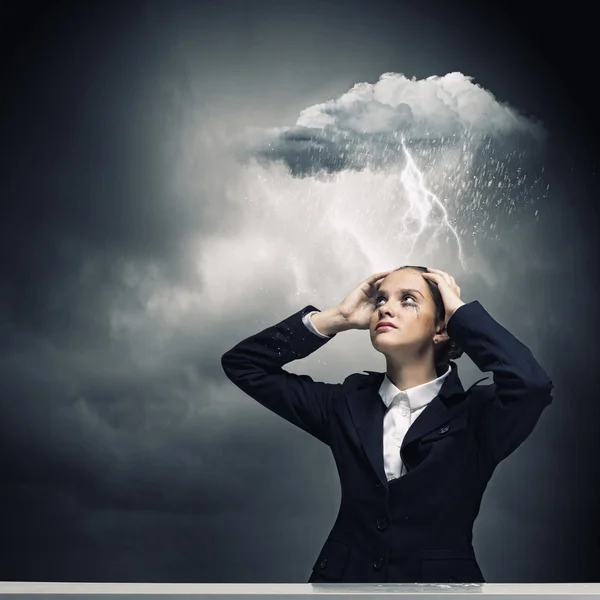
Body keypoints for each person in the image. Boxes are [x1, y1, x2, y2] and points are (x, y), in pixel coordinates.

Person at [221, 266, 553, 583]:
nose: (385, 309)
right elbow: (244, 364)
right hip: (343, 588)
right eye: (381, 299)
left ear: (441, 329)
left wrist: (461, 315)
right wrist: (337, 318)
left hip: (441, 593)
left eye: (408, 300)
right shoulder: (345, 404)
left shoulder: (477, 414)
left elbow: (531, 385)